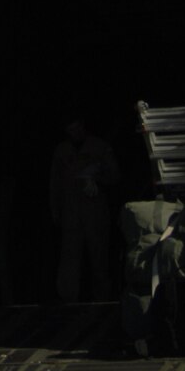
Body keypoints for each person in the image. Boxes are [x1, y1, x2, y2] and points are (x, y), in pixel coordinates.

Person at [50, 118, 120, 303]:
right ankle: (67, 300)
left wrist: (95, 174)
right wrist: (55, 211)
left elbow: (114, 175)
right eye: (70, 129)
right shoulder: (62, 150)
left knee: (99, 257)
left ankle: (103, 299)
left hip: (95, 212)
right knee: (69, 258)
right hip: (71, 213)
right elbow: (55, 183)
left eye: (77, 127)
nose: (75, 132)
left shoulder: (98, 147)